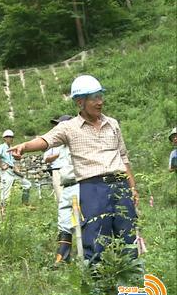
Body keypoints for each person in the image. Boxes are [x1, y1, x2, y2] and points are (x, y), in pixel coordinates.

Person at [8, 74, 139, 265]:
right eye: (94, 98)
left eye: (100, 96)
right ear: (80, 101)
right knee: (96, 240)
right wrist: (24, 147)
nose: (100, 102)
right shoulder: (69, 128)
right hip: (92, 188)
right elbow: (46, 140)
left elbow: (124, 157)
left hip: (120, 186)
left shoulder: (113, 124)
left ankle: (130, 286)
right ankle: (99, 288)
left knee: (128, 237)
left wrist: (132, 187)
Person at [45, 115, 80, 266]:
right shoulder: (60, 145)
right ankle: (63, 258)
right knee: (64, 221)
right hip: (66, 185)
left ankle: (87, 258)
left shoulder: (79, 141)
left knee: (82, 221)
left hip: (80, 184)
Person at [0, 129, 31, 211]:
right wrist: (2, 166)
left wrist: (17, 170)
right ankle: (3, 210)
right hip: (6, 171)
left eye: (12, 137)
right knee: (5, 191)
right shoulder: (2, 147)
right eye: (9, 137)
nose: (11, 138)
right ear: (5, 138)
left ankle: (25, 203)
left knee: (27, 184)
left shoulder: (12, 148)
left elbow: (13, 161)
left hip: (13, 170)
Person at [42, 116, 74, 202]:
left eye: (58, 124)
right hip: (57, 170)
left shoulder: (75, 139)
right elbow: (46, 159)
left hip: (73, 170)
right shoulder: (53, 140)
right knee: (61, 198)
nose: (56, 127)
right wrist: (57, 155)